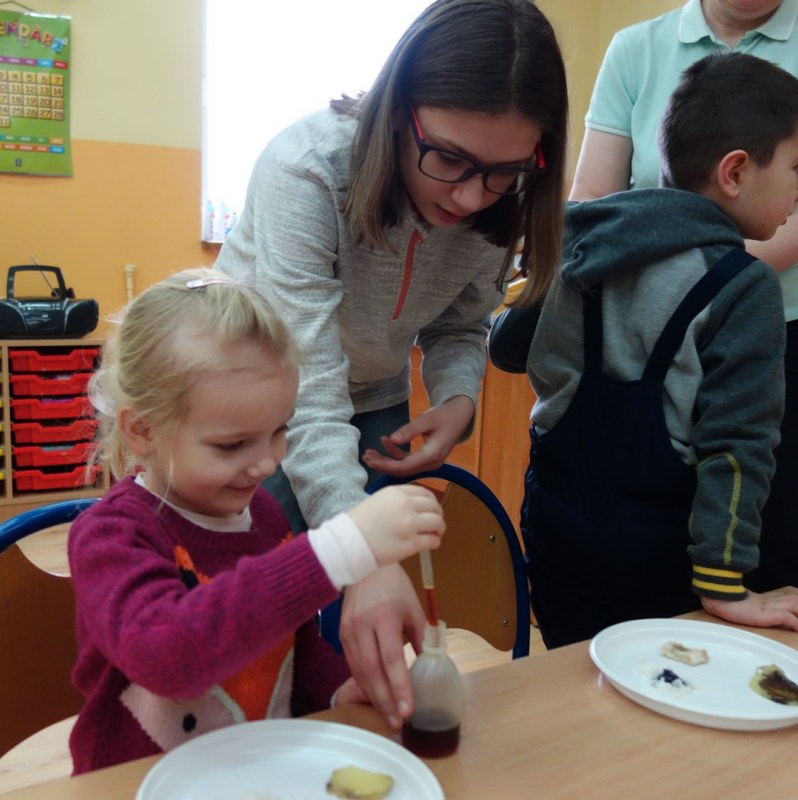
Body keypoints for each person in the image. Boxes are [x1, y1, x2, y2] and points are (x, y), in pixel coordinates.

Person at [214, 0, 568, 728]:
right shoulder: (307, 168)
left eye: (503, 172)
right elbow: (307, 386)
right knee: (249, 615)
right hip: (254, 401)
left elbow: (460, 324)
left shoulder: (504, 198)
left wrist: (459, 400)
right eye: (449, 159)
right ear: (397, 111)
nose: (470, 196)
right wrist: (365, 553)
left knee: (360, 621)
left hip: (374, 394)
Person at [490, 51, 798, 648]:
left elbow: (507, 349)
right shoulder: (743, 285)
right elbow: (738, 447)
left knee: (574, 669)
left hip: (554, 526)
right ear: (735, 172)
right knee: (657, 683)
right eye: (797, 167)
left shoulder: (578, 243)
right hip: (660, 549)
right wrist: (723, 583)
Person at [66, 268, 446, 773]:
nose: (267, 464)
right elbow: (166, 656)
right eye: (232, 445)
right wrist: (340, 547)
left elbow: (293, 644)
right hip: (135, 784)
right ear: (143, 431)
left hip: (253, 773)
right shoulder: (111, 536)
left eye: (278, 431)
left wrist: (336, 690)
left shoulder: (262, 514)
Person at [568, 0, 798, 594]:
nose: (797, 185)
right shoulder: (636, 46)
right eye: (795, 168)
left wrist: (693, 285)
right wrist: (679, 290)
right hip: (638, 333)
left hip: (774, 328)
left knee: (763, 549)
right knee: (636, 534)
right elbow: (592, 198)